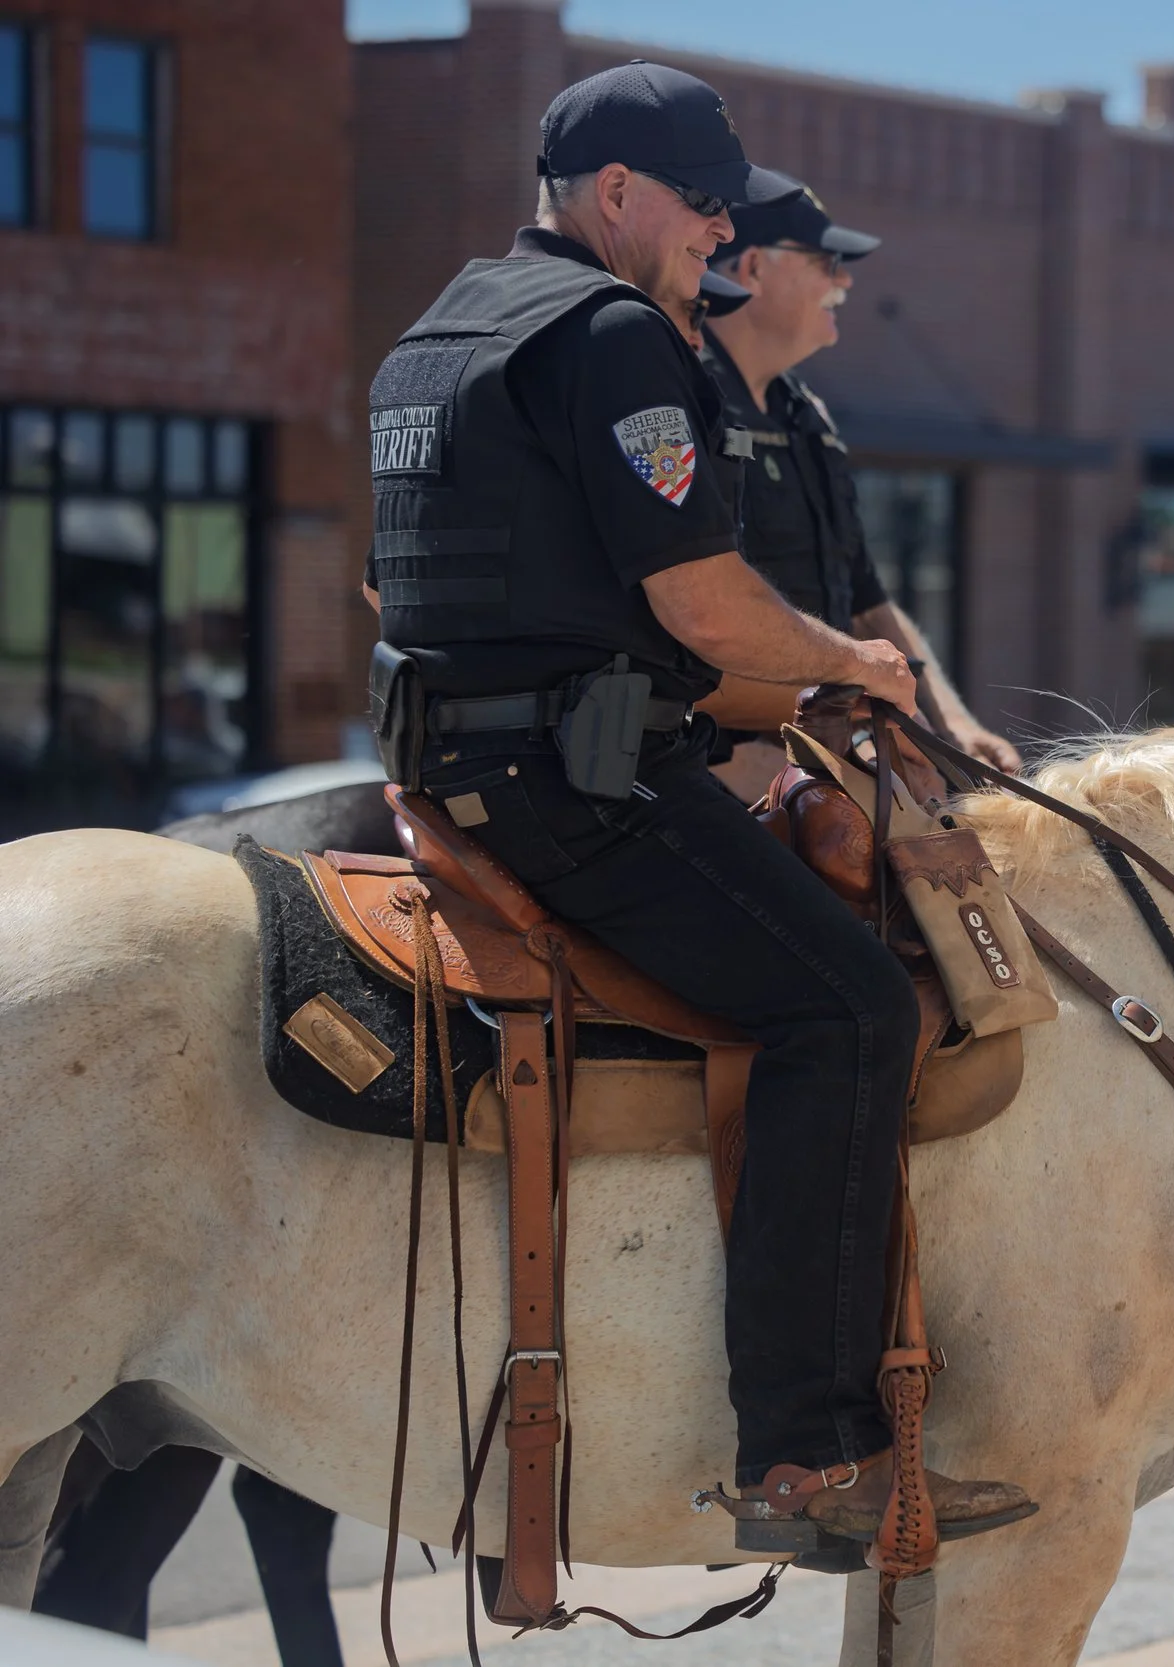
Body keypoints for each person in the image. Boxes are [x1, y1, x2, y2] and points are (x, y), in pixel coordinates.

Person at [361, 60, 1029, 1551]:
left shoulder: (439, 329)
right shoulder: (611, 336)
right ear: (614, 194)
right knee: (850, 1006)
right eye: (702, 206)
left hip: (455, 771)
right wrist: (859, 664)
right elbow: (708, 604)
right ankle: (810, 1454)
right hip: (579, 787)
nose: (718, 240)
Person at [693, 173, 1019, 798]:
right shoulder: (688, 408)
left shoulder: (806, 415)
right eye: (825, 262)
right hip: (730, 774)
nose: (843, 281)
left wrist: (951, 723)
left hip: (833, 762)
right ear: (754, 267)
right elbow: (685, 619)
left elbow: (868, 599)